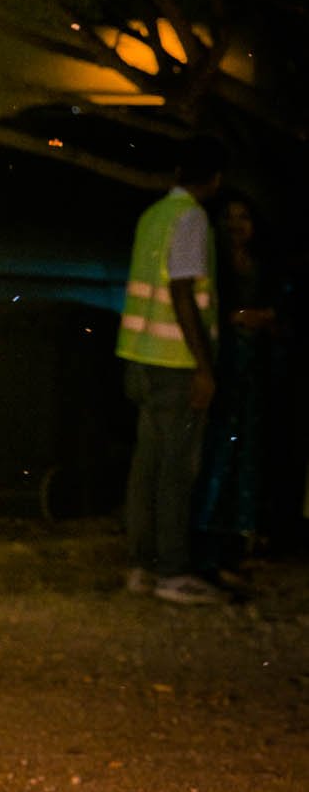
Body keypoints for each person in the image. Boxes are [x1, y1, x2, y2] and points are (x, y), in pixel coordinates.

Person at [115, 134, 228, 604]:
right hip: (174, 365)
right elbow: (183, 292)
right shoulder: (191, 218)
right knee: (176, 471)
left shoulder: (153, 215)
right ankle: (173, 572)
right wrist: (205, 367)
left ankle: (140, 567)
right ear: (215, 180)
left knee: (148, 468)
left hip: (140, 358)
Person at [195, 193, 281, 579]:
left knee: (248, 452)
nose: (236, 225)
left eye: (243, 217)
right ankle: (207, 541)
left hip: (253, 370)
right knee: (221, 452)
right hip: (226, 366)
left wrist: (265, 318)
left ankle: (238, 539)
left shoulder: (261, 266)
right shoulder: (215, 267)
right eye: (230, 217)